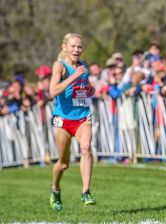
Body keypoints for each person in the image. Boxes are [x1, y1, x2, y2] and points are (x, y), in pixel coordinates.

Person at [49, 33, 96, 212]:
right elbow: (53, 91)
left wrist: (90, 89)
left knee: (86, 148)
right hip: (63, 120)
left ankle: (86, 191)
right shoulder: (59, 66)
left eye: (79, 47)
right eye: (73, 46)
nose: (77, 50)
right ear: (65, 47)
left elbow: (85, 88)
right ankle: (55, 189)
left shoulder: (83, 67)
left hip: (83, 117)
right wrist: (74, 76)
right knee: (63, 163)